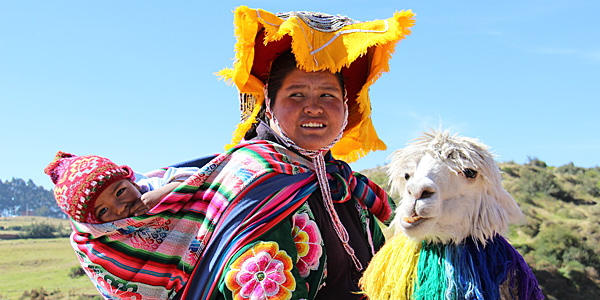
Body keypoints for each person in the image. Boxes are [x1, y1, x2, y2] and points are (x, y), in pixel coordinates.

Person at [177, 6, 415, 300]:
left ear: (345, 106)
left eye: (327, 94)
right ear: (269, 106)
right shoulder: (255, 179)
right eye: (296, 94)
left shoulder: (345, 187)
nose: (314, 106)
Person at [43, 151, 206, 299]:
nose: (120, 208)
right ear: (95, 224)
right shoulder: (102, 246)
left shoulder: (154, 185)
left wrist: (161, 194)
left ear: (133, 183)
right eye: (104, 210)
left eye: (120, 191)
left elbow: (201, 176)